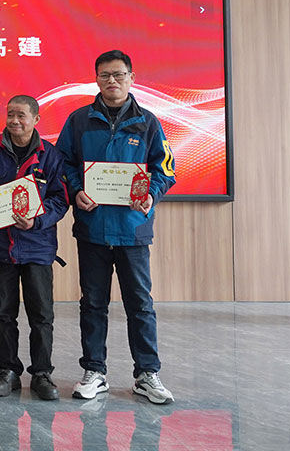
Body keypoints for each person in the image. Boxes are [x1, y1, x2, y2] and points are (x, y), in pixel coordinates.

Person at [55, 50, 176, 404]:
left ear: (131, 78)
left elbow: (165, 169)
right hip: (92, 227)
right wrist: (76, 190)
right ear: (96, 79)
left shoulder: (148, 122)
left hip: (132, 229)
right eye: (105, 75)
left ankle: (147, 374)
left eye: (119, 74)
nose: (112, 81)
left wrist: (151, 195)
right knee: (93, 303)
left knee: (140, 304)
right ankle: (95, 371)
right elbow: (62, 164)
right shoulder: (79, 121)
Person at [0, 95, 69, 400]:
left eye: (21, 115)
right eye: (10, 114)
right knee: (3, 312)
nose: (14, 121)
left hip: (37, 247)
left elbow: (60, 200)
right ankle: (7, 369)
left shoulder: (50, 155)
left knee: (42, 314)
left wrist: (37, 220)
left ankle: (42, 373)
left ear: (36, 119)